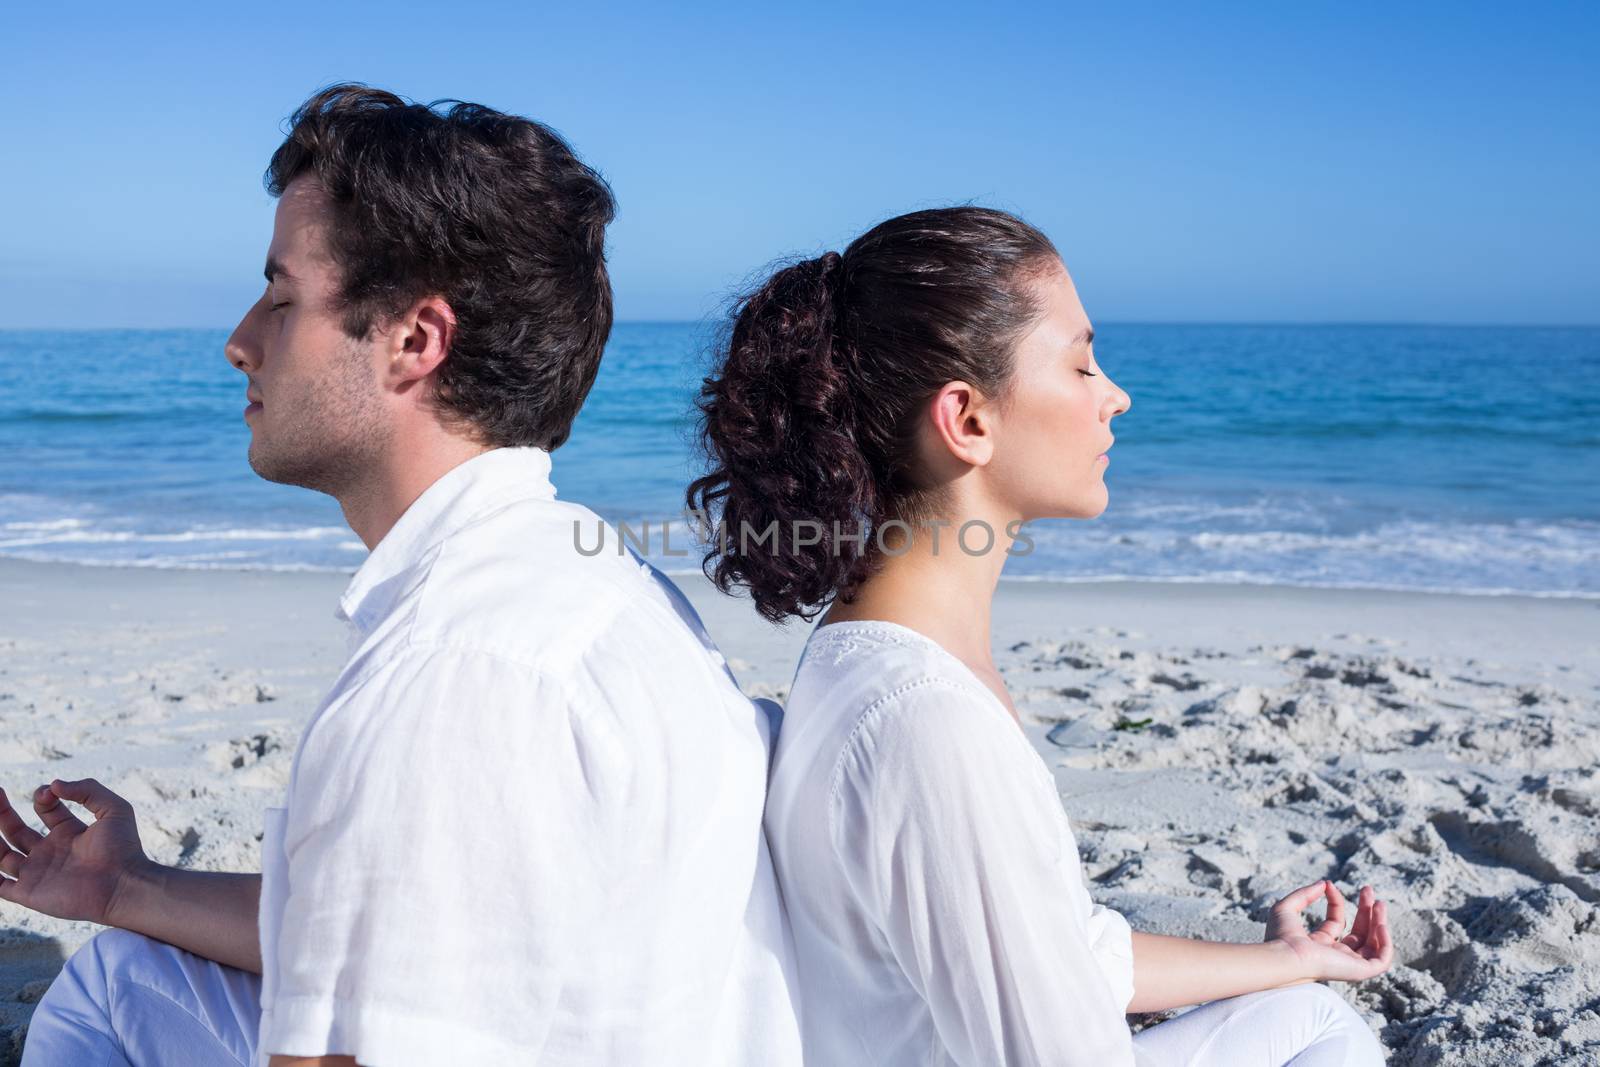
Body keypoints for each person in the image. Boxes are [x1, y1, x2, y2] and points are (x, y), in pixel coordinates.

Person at [0, 84, 801, 1067]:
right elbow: (382, 934)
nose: (239, 339)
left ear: (416, 341)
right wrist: (126, 889)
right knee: (120, 972)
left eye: (283, 296)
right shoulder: (586, 583)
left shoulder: (452, 669)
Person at [687, 206, 1394, 1066]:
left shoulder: (877, 651)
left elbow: (1063, 948)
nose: (1115, 394)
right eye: (1083, 363)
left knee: (1310, 1013)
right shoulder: (925, 722)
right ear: (968, 420)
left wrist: (1283, 959)